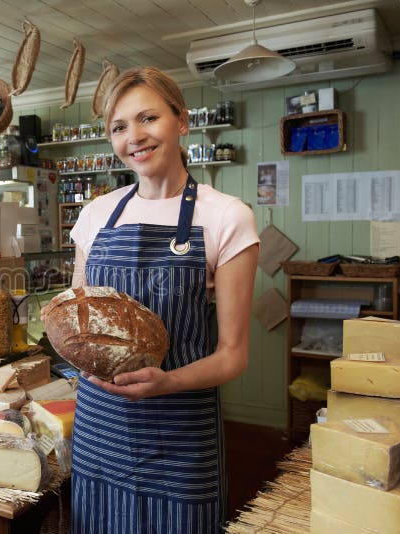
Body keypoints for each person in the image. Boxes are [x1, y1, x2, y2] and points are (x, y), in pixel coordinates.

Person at [67, 67, 259, 533]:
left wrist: (167, 382)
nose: (134, 136)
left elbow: (233, 356)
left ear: (182, 121)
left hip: (180, 430)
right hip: (100, 425)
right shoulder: (95, 216)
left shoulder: (226, 217)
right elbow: (76, 320)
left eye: (148, 118)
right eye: (118, 127)